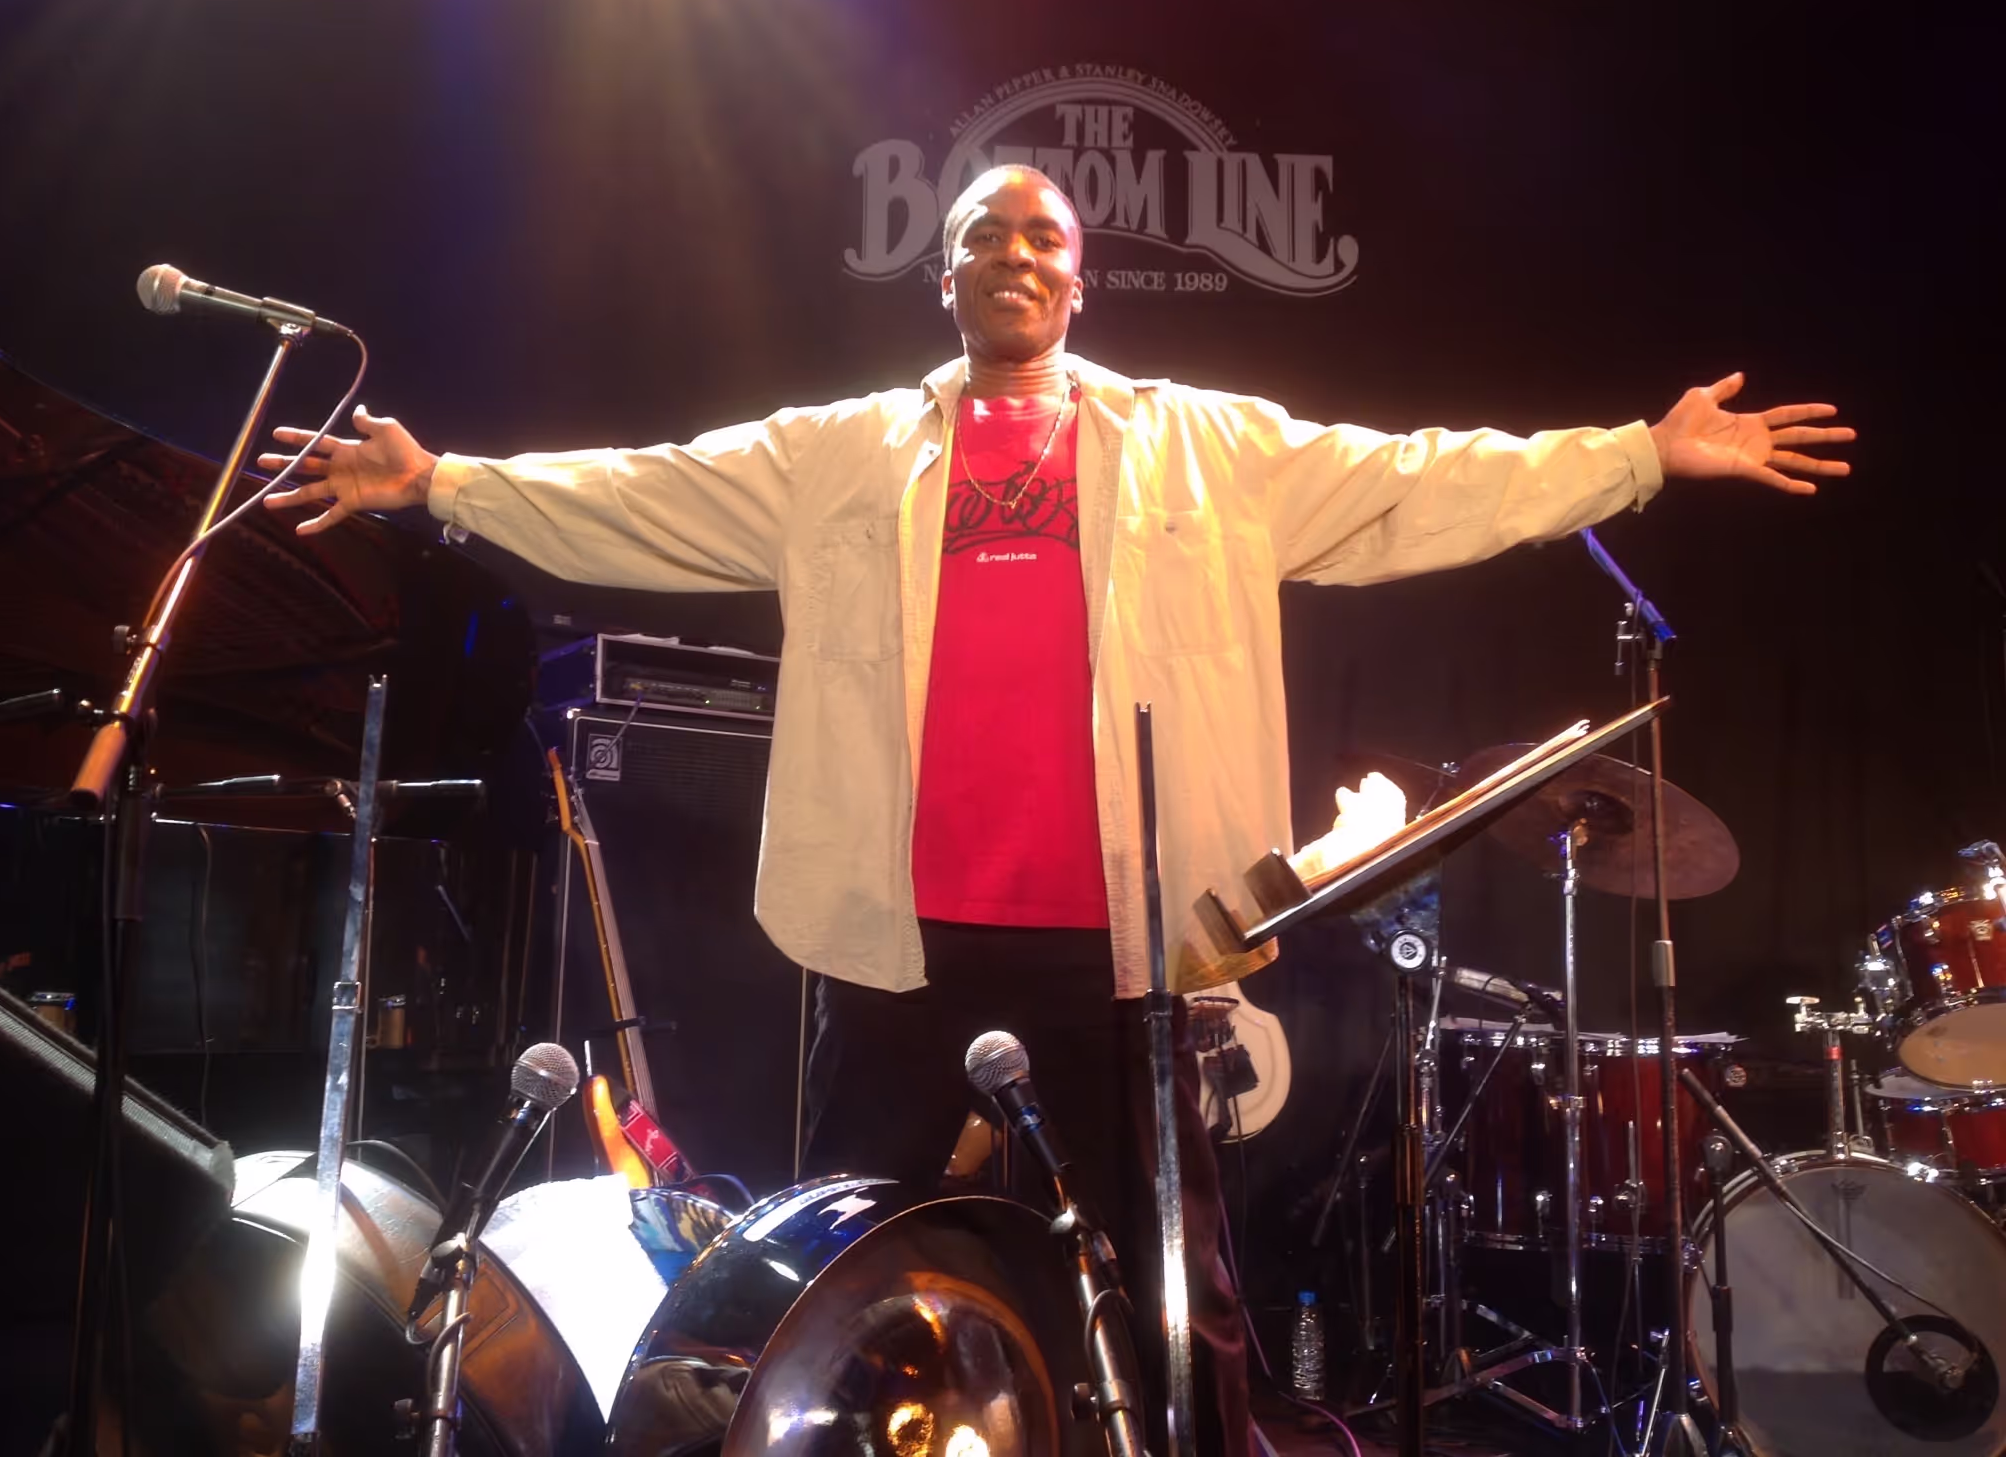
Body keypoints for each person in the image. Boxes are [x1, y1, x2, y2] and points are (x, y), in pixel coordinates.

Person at [262, 165, 1851, 1454]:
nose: (1016, 256)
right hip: (902, 931)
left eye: (1045, 237)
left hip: (1122, 937)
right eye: (985, 237)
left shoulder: (1201, 444)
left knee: (1183, 1289)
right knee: (854, 1248)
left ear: (1080, 278)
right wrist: (448, 481)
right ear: (941, 276)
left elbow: (1417, 479)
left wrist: (1638, 455)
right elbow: (650, 487)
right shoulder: (847, 452)